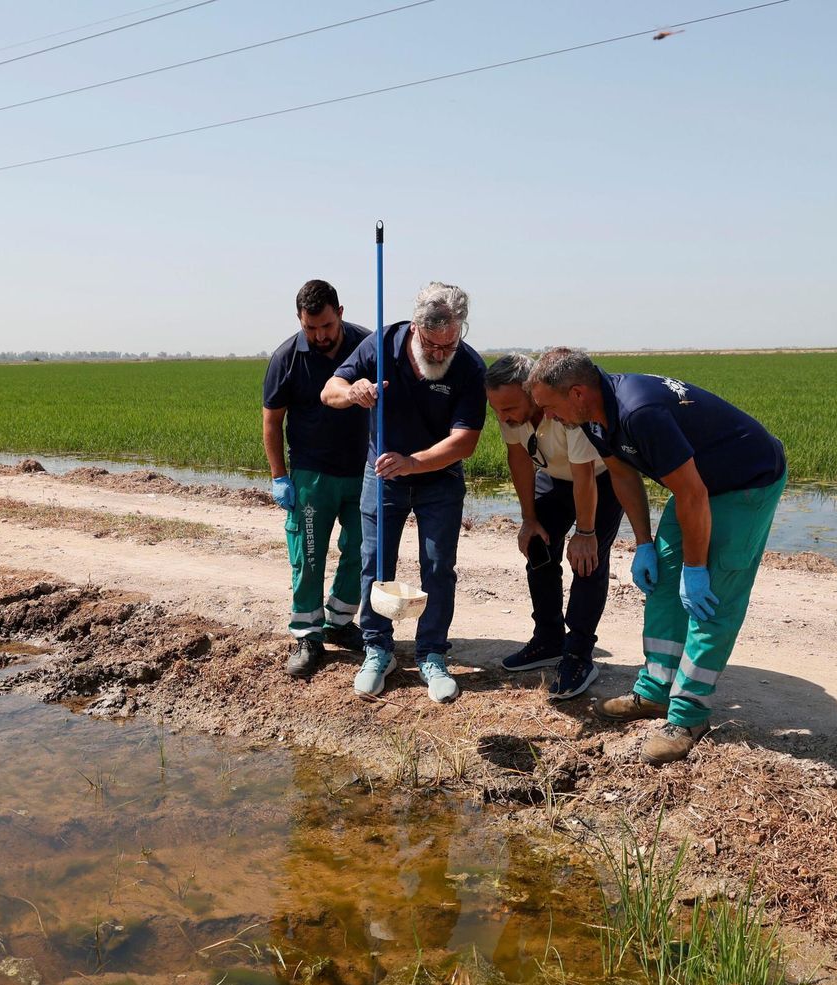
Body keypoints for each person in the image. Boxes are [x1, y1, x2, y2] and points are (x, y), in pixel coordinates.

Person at [526, 350, 787, 764]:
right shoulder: (591, 415)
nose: (547, 415)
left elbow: (692, 494)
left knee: (709, 599)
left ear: (576, 392)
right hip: (697, 486)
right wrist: (645, 542)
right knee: (664, 583)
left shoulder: (639, 410)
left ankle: (688, 716)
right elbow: (623, 473)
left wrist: (697, 567)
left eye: (547, 405)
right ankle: (655, 693)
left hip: (744, 484)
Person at [320, 282, 487, 703]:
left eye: (449, 345)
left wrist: (414, 462)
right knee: (375, 563)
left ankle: (432, 654)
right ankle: (378, 649)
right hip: (382, 475)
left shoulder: (467, 366)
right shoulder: (383, 345)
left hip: (439, 479)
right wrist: (353, 392)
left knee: (437, 567)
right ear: (416, 329)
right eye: (432, 345)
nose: (439, 354)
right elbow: (330, 391)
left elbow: (465, 441)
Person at [485, 350, 623, 699]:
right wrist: (528, 519)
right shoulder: (510, 413)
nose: (503, 417)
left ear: (532, 392)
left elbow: (585, 475)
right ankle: (548, 639)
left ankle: (578, 654)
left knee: (587, 560)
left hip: (600, 481)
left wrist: (586, 533)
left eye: (509, 409)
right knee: (539, 547)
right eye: (496, 410)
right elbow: (518, 458)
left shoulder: (564, 413)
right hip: (555, 478)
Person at [263, 280, 372, 678]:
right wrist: (280, 476)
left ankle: (340, 622)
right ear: (300, 320)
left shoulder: (366, 345)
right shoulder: (286, 358)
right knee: (308, 554)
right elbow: (272, 422)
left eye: (326, 325)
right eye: (311, 328)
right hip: (311, 474)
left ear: (340, 312)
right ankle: (308, 634)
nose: (320, 335)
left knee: (362, 550)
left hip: (363, 469)